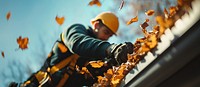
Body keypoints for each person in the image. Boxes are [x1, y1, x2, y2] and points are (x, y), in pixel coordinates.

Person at [9, 11, 134, 87]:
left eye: (110, 36)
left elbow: (93, 76)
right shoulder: (76, 31)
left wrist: (113, 64)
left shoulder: (94, 57)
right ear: (96, 25)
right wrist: (111, 49)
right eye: (106, 32)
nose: (106, 39)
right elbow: (77, 44)